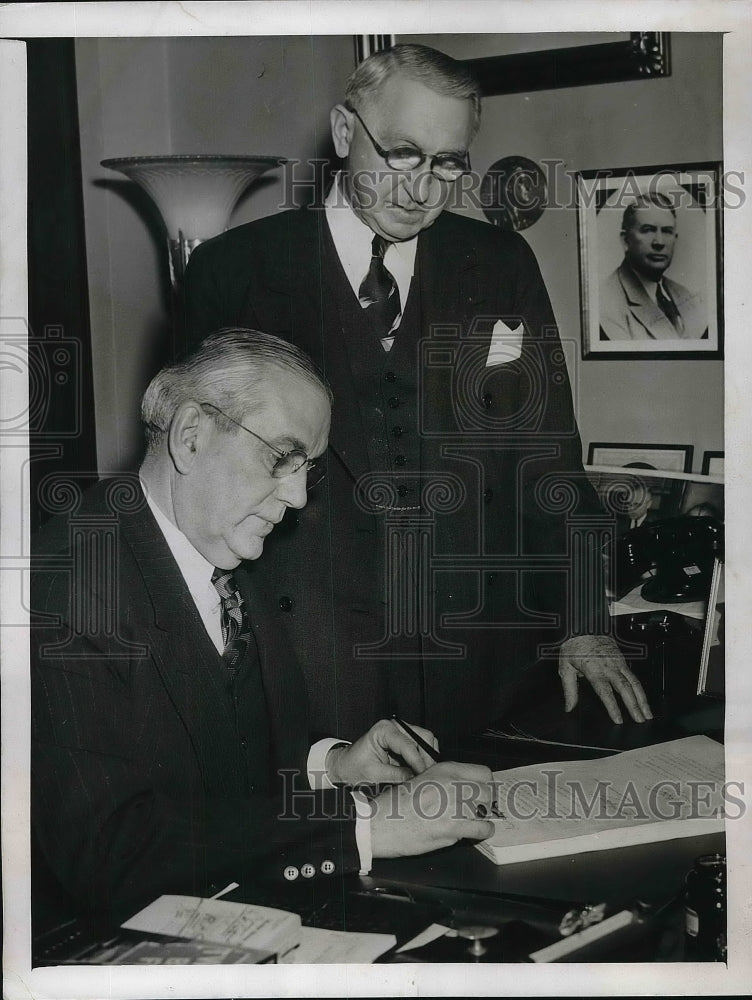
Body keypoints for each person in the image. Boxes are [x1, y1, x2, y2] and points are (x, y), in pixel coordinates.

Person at [183, 43, 652, 745]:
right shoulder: (235, 271)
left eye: (447, 164)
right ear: (346, 133)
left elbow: (549, 456)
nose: (422, 188)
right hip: (303, 660)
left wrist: (584, 618)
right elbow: (195, 485)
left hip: (478, 659)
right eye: (402, 152)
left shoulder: (499, 263)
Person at [31, 329, 496, 930]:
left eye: (307, 468)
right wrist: (364, 828)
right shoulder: (64, 588)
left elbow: (212, 778)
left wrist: (332, 769)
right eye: (281, 457)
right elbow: (111, 852)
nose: (299, 497)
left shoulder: (216, 546)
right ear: (191, 436)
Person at [599, 192, 707, 341]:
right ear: (625, 240)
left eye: (667, 231)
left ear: (675, 239)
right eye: (648, 230)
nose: (659, 242)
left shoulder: (686, 296)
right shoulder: (606, 303)